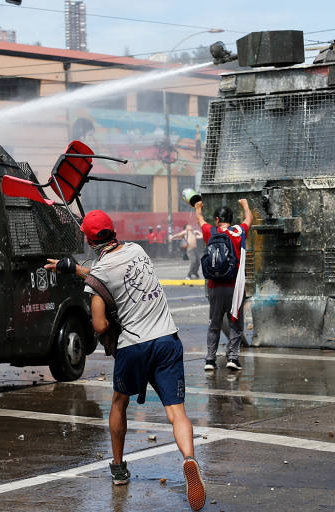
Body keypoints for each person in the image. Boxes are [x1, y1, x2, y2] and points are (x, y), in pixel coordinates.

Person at [45, 210, 206, 511]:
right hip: (167, 339)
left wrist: (82, 279)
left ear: (90, 241)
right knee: (177, 412)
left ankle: (118, 468)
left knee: (120, 401)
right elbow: (106, 272)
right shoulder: (138, 250)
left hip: (134, 347)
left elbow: (99, 324)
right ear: (112, 230)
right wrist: (78, 270)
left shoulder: (97, 280)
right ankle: (188, 458)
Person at [195, 199, 253, 372]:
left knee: (214, 323)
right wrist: (245, 205)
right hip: (235, 287)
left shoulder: (211, 231)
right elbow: (249, 218)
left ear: (217, 220)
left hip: (214, 286)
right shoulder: (238, 231)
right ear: (231, 219)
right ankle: (233, 358)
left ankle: (210, 360)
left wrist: (198, 208)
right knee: (235, 323)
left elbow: (200, 219)